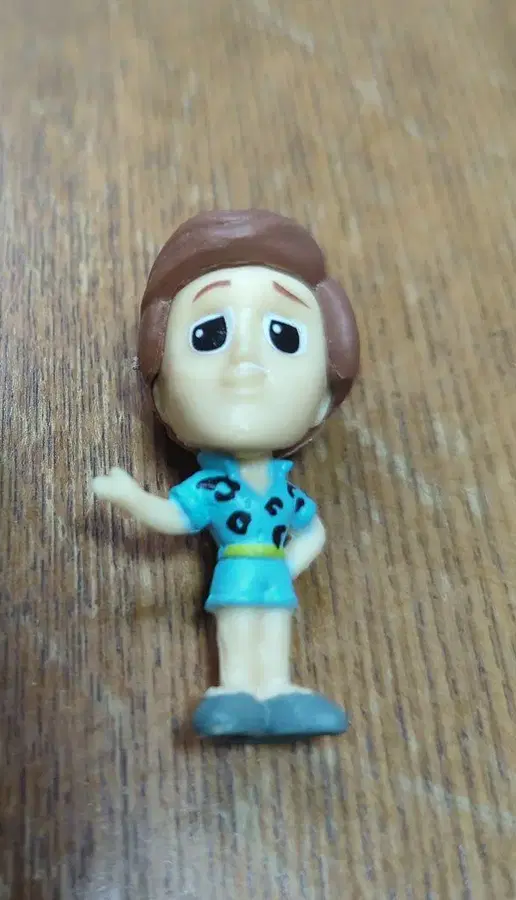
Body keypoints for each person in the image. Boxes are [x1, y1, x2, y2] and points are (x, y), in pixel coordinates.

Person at [93, 209, 359, 740]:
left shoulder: (284, 490)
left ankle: (278, 689)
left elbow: (312, 531)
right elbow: (176, 517)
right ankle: (234, 689)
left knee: (274, 631)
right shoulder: (215, 487)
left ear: (324, 396)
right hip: (236, 573)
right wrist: (130, 497)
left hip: (270, 576)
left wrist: (287, 567)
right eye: (209, 334)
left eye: (284, 336)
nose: (244, 362)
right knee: (238, 631)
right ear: (161, 391)